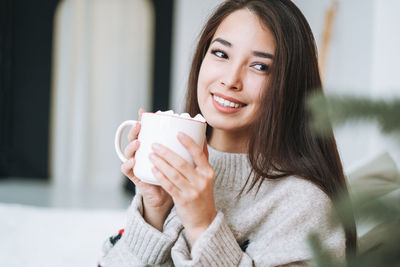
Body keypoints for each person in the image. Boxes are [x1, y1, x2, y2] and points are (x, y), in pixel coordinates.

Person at [99, 0, 357, 266]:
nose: (231, 80)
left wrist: (203, 225)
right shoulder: (176, 178)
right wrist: (154, 211)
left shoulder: (305, 204)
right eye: (221, 54)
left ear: (288, 85)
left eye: (259, 66)